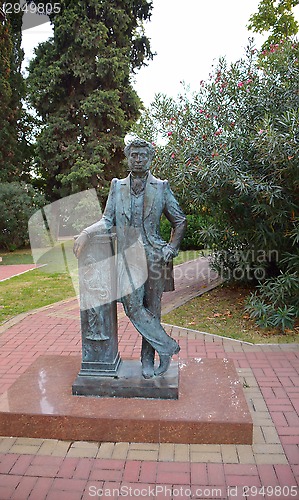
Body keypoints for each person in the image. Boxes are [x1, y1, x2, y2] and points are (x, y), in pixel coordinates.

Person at [73, 137, 186, 377]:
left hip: (155, 256)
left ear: (150, 158)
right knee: (132, 307)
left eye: (143, 155)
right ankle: (166, 347)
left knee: (152, 309)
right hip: (127, 258)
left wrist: (171, 248)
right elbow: (107, 220)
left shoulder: (161, 187)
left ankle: (148, 361)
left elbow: (179, 220)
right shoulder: (117, 186)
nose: (138, 159)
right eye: (134, 155)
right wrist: (85, 232)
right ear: (128, 157)